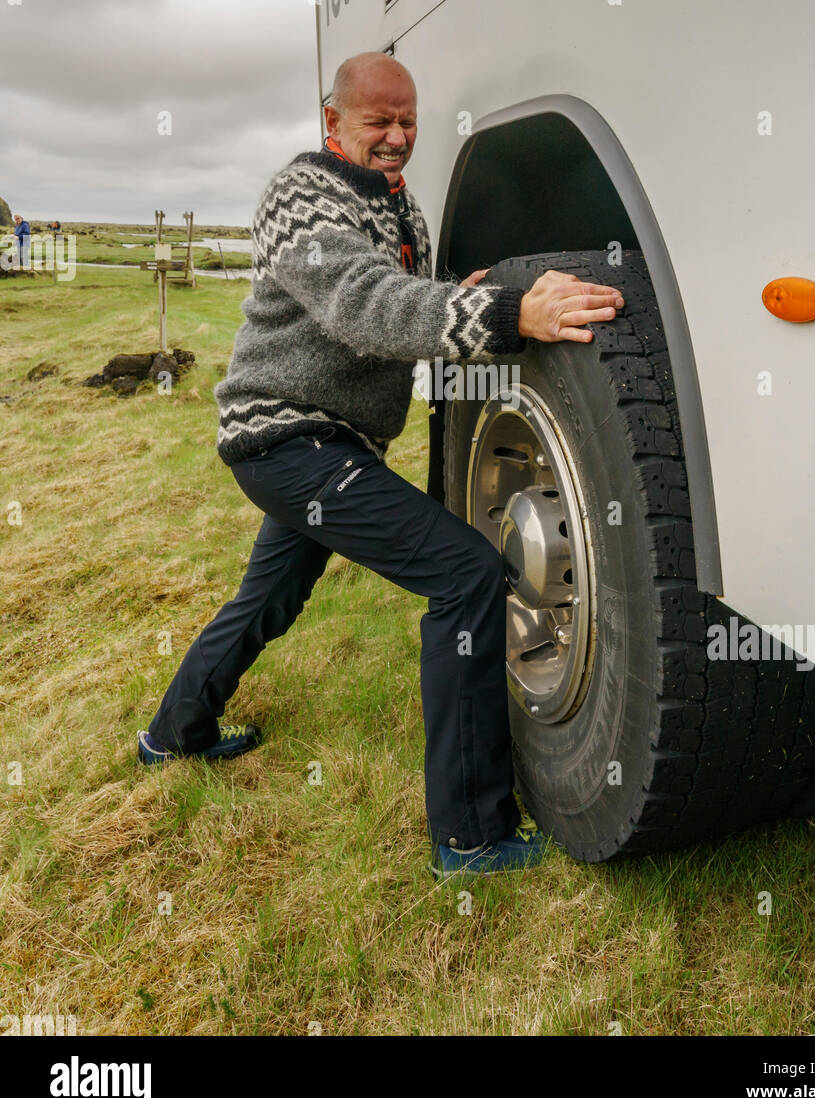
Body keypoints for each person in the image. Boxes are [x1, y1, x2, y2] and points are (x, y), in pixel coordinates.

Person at [137, 52, 625, 878]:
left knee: (268, 598)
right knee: (467, 573)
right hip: (286, 440)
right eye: (378, 123)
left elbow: (408, 299)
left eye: (407, 122)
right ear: (333, 124)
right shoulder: (299, 197)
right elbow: (365, 306)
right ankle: (469, 838)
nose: (396, 138)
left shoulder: (402, 208)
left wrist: (455, 290)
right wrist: (510, 312)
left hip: (331, 444)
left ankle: (171, 735)